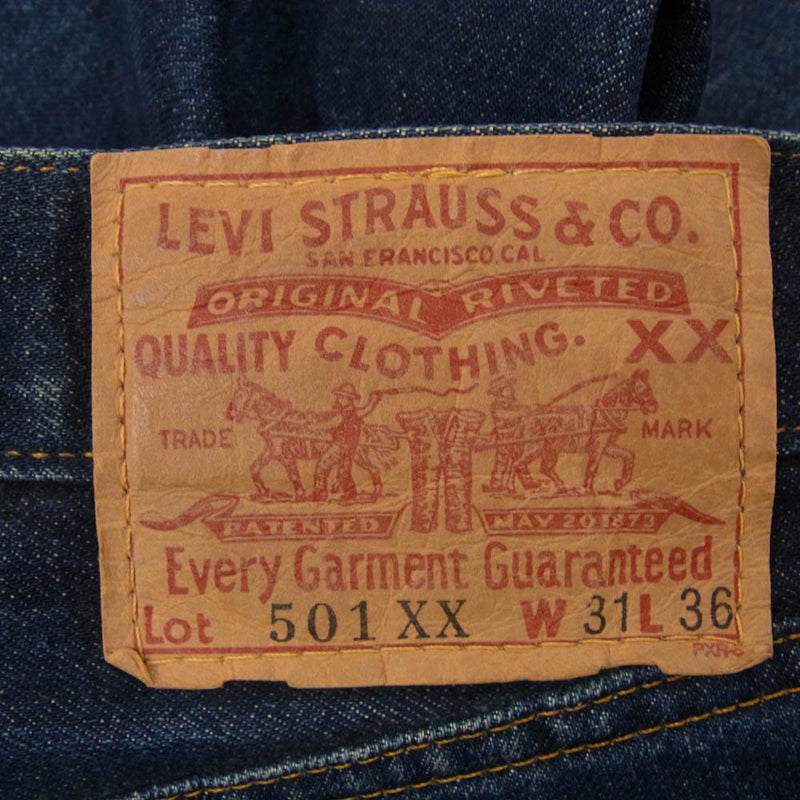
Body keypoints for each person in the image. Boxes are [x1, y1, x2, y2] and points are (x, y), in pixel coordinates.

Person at [312, 383, 382, 502]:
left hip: (342, 447)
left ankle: (320, 493)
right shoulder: (343, 413)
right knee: (342, 472)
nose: (338, 399)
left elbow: (368, 408)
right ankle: (348, 492)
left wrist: (374, 399)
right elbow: (332, 424)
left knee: (324, 465)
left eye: (340, 397)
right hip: (341, 446)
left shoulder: (354, 413)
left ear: (347, 399)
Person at [483, 375, 541, 495]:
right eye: (507, 388)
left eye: (510, 387)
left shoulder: (514, 403)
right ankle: (496, 484)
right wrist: (524, 412)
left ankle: (527, 481)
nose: (511, 389)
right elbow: (506, 415)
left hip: (516, 435)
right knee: (502, 460)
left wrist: (531, 408)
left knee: (518, 458)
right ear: (500, 392)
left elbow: (523, 409)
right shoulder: (496, 406)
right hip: (504, 437)